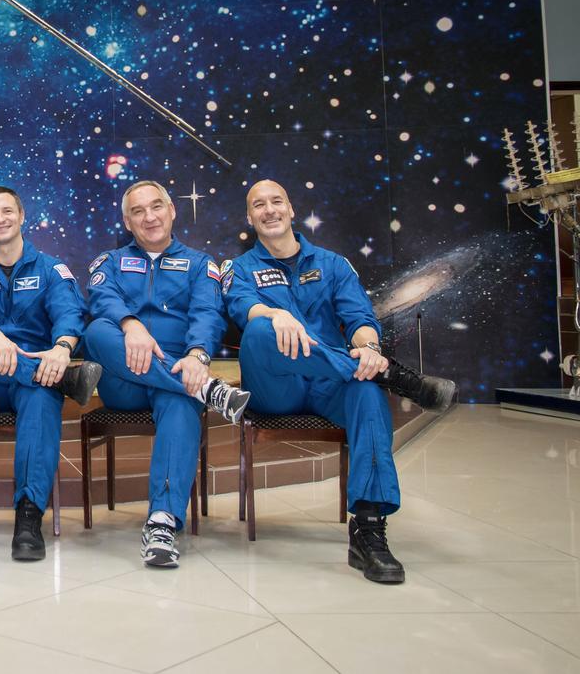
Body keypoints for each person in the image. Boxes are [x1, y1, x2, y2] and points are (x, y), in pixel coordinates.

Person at [223, 179, 457, 584]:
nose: (269, 210)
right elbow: (243, 307)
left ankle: (368, 529)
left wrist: (369, 349)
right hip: (276, 388)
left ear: (291, 209)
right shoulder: (238, 269)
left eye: (277, 201)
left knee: (367, 392)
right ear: (249, 217)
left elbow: (360, 320)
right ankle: (394, 376)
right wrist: (276, 314)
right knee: (260, 331)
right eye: (259, 205)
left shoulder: (333, 265)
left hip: (329, 384)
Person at [82, 180, 249, 567]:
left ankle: (162, 522)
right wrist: (131, 325)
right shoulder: (109, 262)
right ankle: (208, 391)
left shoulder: (200, 264)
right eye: (137, 211)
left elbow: (208, 313)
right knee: (97, 331)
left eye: (156, 206)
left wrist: (197, 356)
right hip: (123, 379)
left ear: (172, 210)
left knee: (180, 398)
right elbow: (102, 298)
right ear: (127, 222)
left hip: (180, 367)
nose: (149, 217)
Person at [0, 185, 101, 560]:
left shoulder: (50, 268)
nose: (0, 219)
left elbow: (69, 314)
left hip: (33, 382)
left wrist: (62, 349)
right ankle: (60, 379)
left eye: (7, 211)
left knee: (41, 397)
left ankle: (28, 518)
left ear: (22, 216)